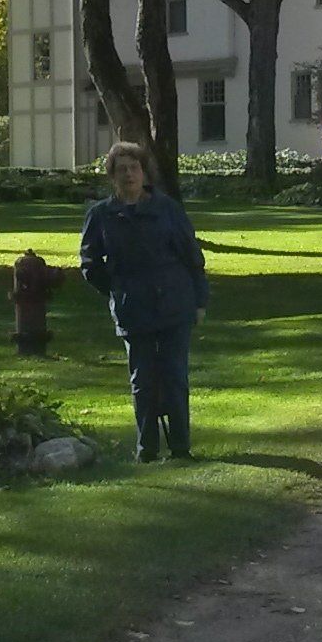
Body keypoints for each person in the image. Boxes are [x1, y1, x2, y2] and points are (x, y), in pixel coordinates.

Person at [80, 141, 208, 463]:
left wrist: (199, 301)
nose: (128, 174)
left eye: (134, 168)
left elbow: (193, 256)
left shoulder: (167, 209)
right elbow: (89, 265)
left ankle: (181, 449)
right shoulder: (101, 215)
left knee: (175, 377)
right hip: (133, 308)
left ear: (143, 172)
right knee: (142, 381)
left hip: (174, 303)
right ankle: (146, 450)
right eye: (121, 169)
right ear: (112, 176)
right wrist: (117, 289)